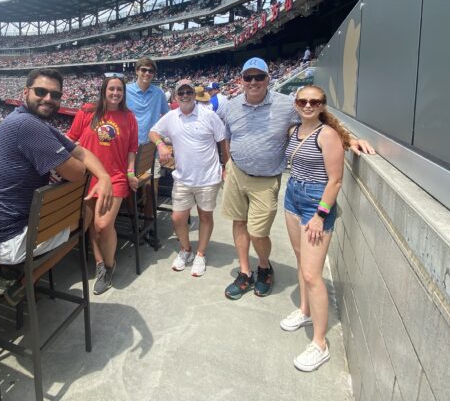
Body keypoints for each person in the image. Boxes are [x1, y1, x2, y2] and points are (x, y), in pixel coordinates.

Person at [219, 57, 373, 301]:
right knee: (238, 222)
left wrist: (349, 140)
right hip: (237, 173)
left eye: (259, 76)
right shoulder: (229, 106)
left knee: (258, 232)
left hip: (266, 179)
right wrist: (226, 163)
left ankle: (264, 267)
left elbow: (320, 121)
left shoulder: (288, 104)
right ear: (241, 80)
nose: (253, 82)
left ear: (268, 79)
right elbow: (225, 136)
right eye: (248, 77)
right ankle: (245, 271)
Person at [0, 68, 113, 305]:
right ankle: (26, 280)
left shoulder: (26, 119)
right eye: (41, 92)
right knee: (85, 213)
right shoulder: (28, 126)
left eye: (54, 95)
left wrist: (104, 177)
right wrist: (83, 167)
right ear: (26, 92)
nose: (48, 99)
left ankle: (12, 274)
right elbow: (77, 172)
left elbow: (81, 151)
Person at [280, 85, 349, 372]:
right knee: (300, 258)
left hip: (315, 203)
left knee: (312, 273)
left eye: (315, 101)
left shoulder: (327, 134)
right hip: (293, 194)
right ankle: (305, 311)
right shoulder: (293, 131)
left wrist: (320, 216)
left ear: (322, 105)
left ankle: (320, 343)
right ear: (296, 104)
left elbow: (335, 180)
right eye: (303, 101)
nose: (308, 105)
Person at [149, 79, 229, 277]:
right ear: (176, 96)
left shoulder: (209, 115)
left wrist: (226, 166)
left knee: (205, 216)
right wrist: (160, 144)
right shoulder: (171, 117)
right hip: (183, 177)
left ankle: (200, 253)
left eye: (188, 92)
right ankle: (186, 250)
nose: (185, 96)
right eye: (181, 93)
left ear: (194, 94)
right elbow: (153, 132)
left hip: (208, 177)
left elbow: (222, 141)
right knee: (178, 218)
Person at [66, 76, 139, 295]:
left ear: (123, 93)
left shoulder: (129, 117)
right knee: (89, 223)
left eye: (119, 89)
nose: (115, 93)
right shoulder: (87, 112)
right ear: (104, 91)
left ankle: (109, 265)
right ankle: (100, 264)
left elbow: (132, 149)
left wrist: (130, 173)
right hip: (87, 178)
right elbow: (71, 139)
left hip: (114, 177)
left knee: (103, 225)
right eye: (111, 89)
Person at [126, 57, 169, 246]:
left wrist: (163, 141)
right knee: (129, 189)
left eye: (150, 71)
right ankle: (135, 225)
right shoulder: (125, 91)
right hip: (129, 149)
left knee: (152, 189)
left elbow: (167, 117)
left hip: (150, 149)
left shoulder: (158, 93)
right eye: (143, 70)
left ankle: (148, 226)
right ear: (136, 71)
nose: (147, 74)